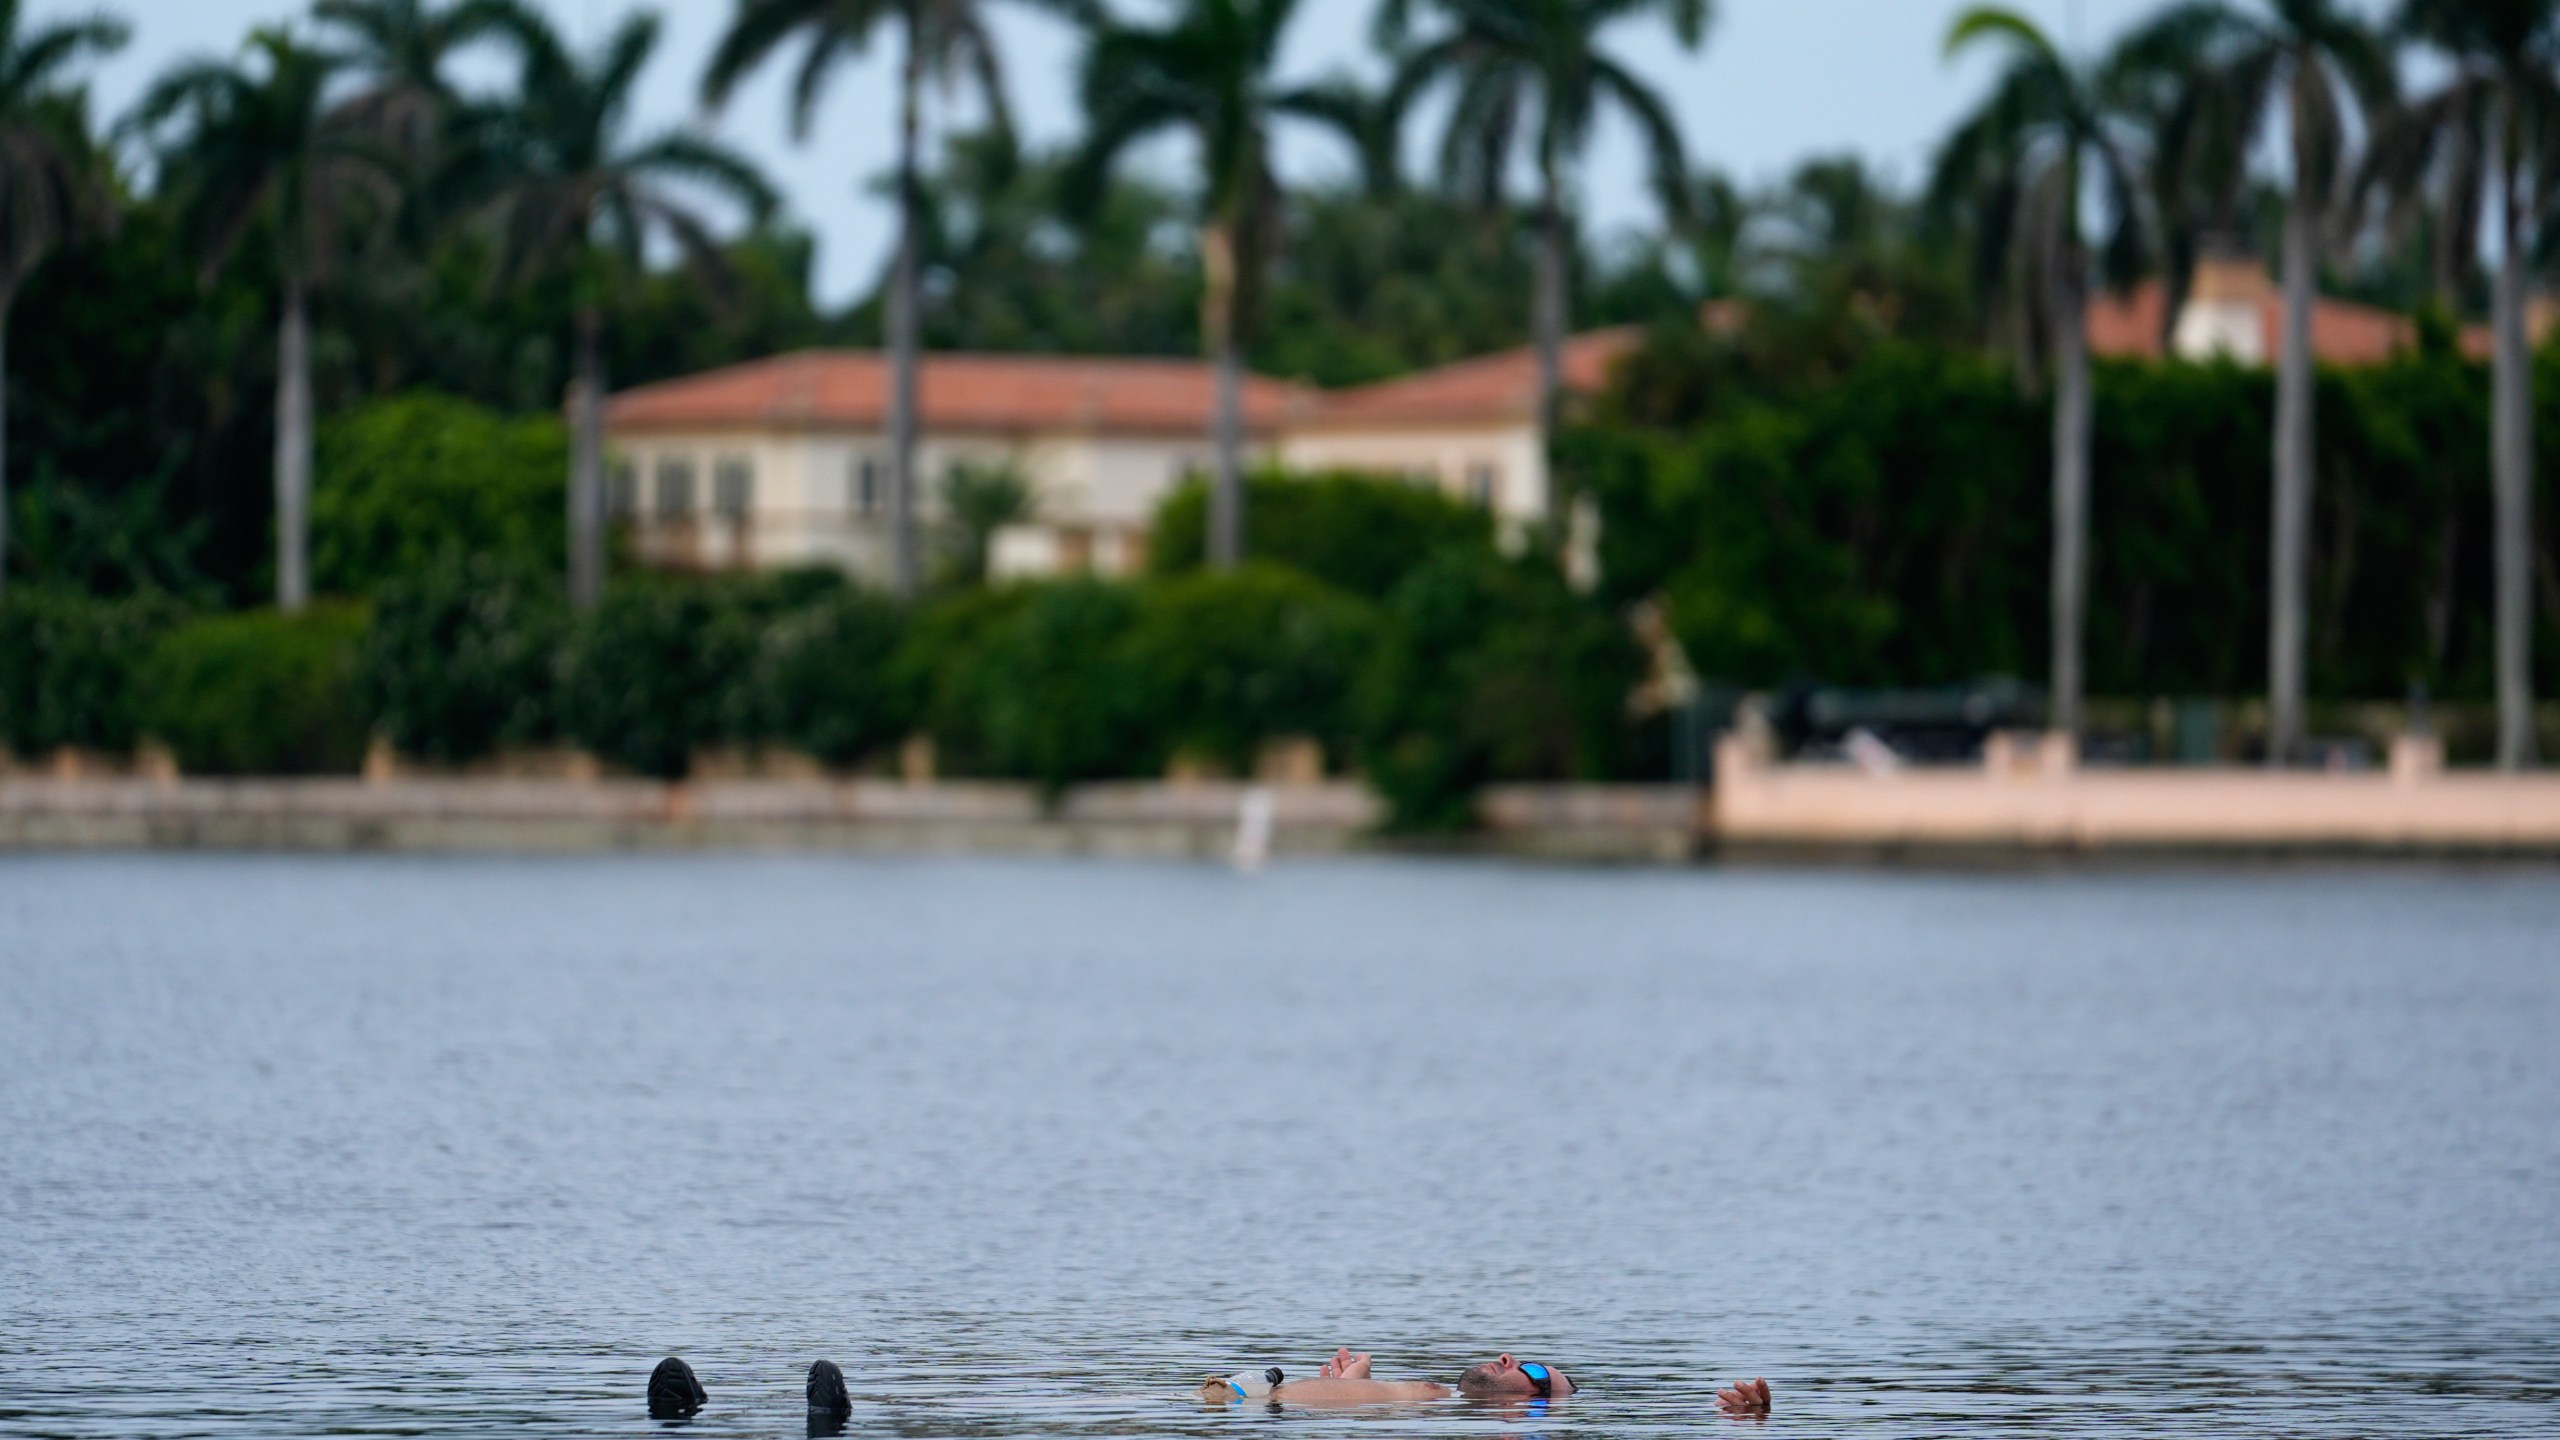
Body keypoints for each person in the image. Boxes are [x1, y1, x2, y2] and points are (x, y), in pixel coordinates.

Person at [1197, 1347, 1772, 1416]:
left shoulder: (1428, 1409)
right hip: (1235, 1402)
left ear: (1525, 1410)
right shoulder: (1433, 1398)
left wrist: (1747, 1419)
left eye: (1538, 1372)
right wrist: (1352, 1385)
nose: (1512, 1356)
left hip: (1232, 1406)